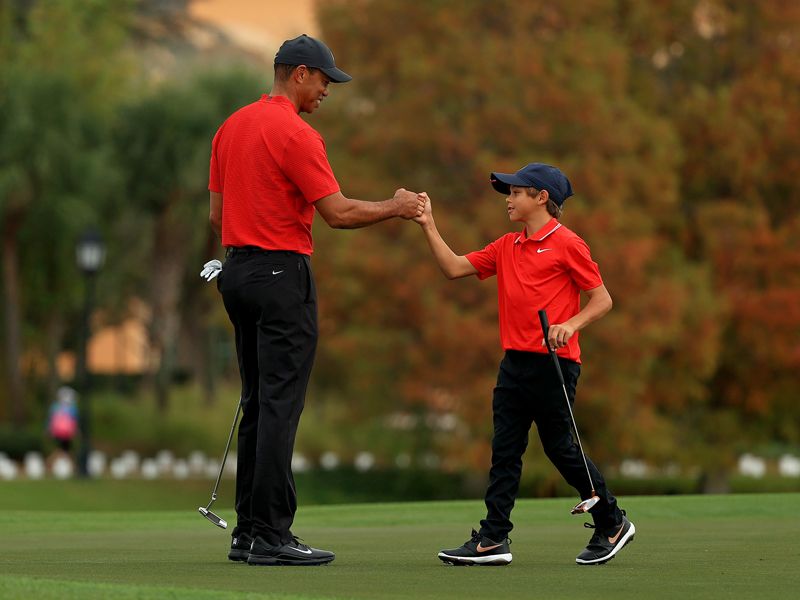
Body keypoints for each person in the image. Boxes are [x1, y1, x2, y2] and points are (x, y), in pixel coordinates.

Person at [204, 34, 425, 567]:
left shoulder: (231, 126)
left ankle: (248, 533)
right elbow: (339, 213)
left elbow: (217, 216)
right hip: (282, 274)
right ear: (298, 73)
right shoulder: (296, 134)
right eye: (325, 79)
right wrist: (396, 207)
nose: (328, 89)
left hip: (237, 272)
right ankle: (273, 536)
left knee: (257, 401)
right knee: (281, 403)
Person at [413, 163, 635, 566]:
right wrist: (428, 224)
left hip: (554, 364)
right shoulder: (506, 246)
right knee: (505, 450)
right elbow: (453, 267)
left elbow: (602, 299)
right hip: (514, 363)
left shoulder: (569, 243)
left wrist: (571, 324)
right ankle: (493, 538)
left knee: (561, 450)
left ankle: (612, 521)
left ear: (541, 197)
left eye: (515, 193)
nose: (508, 200)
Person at [47, 386, 79, 457]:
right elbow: (74, 420)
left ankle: (57, 460)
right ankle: (55, 461)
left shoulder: (55, 406)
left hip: (57, 432)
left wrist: (49, 430)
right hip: (67, 432)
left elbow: (50, 420)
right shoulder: (72, 408)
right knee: (64, 448)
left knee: (62, 448)